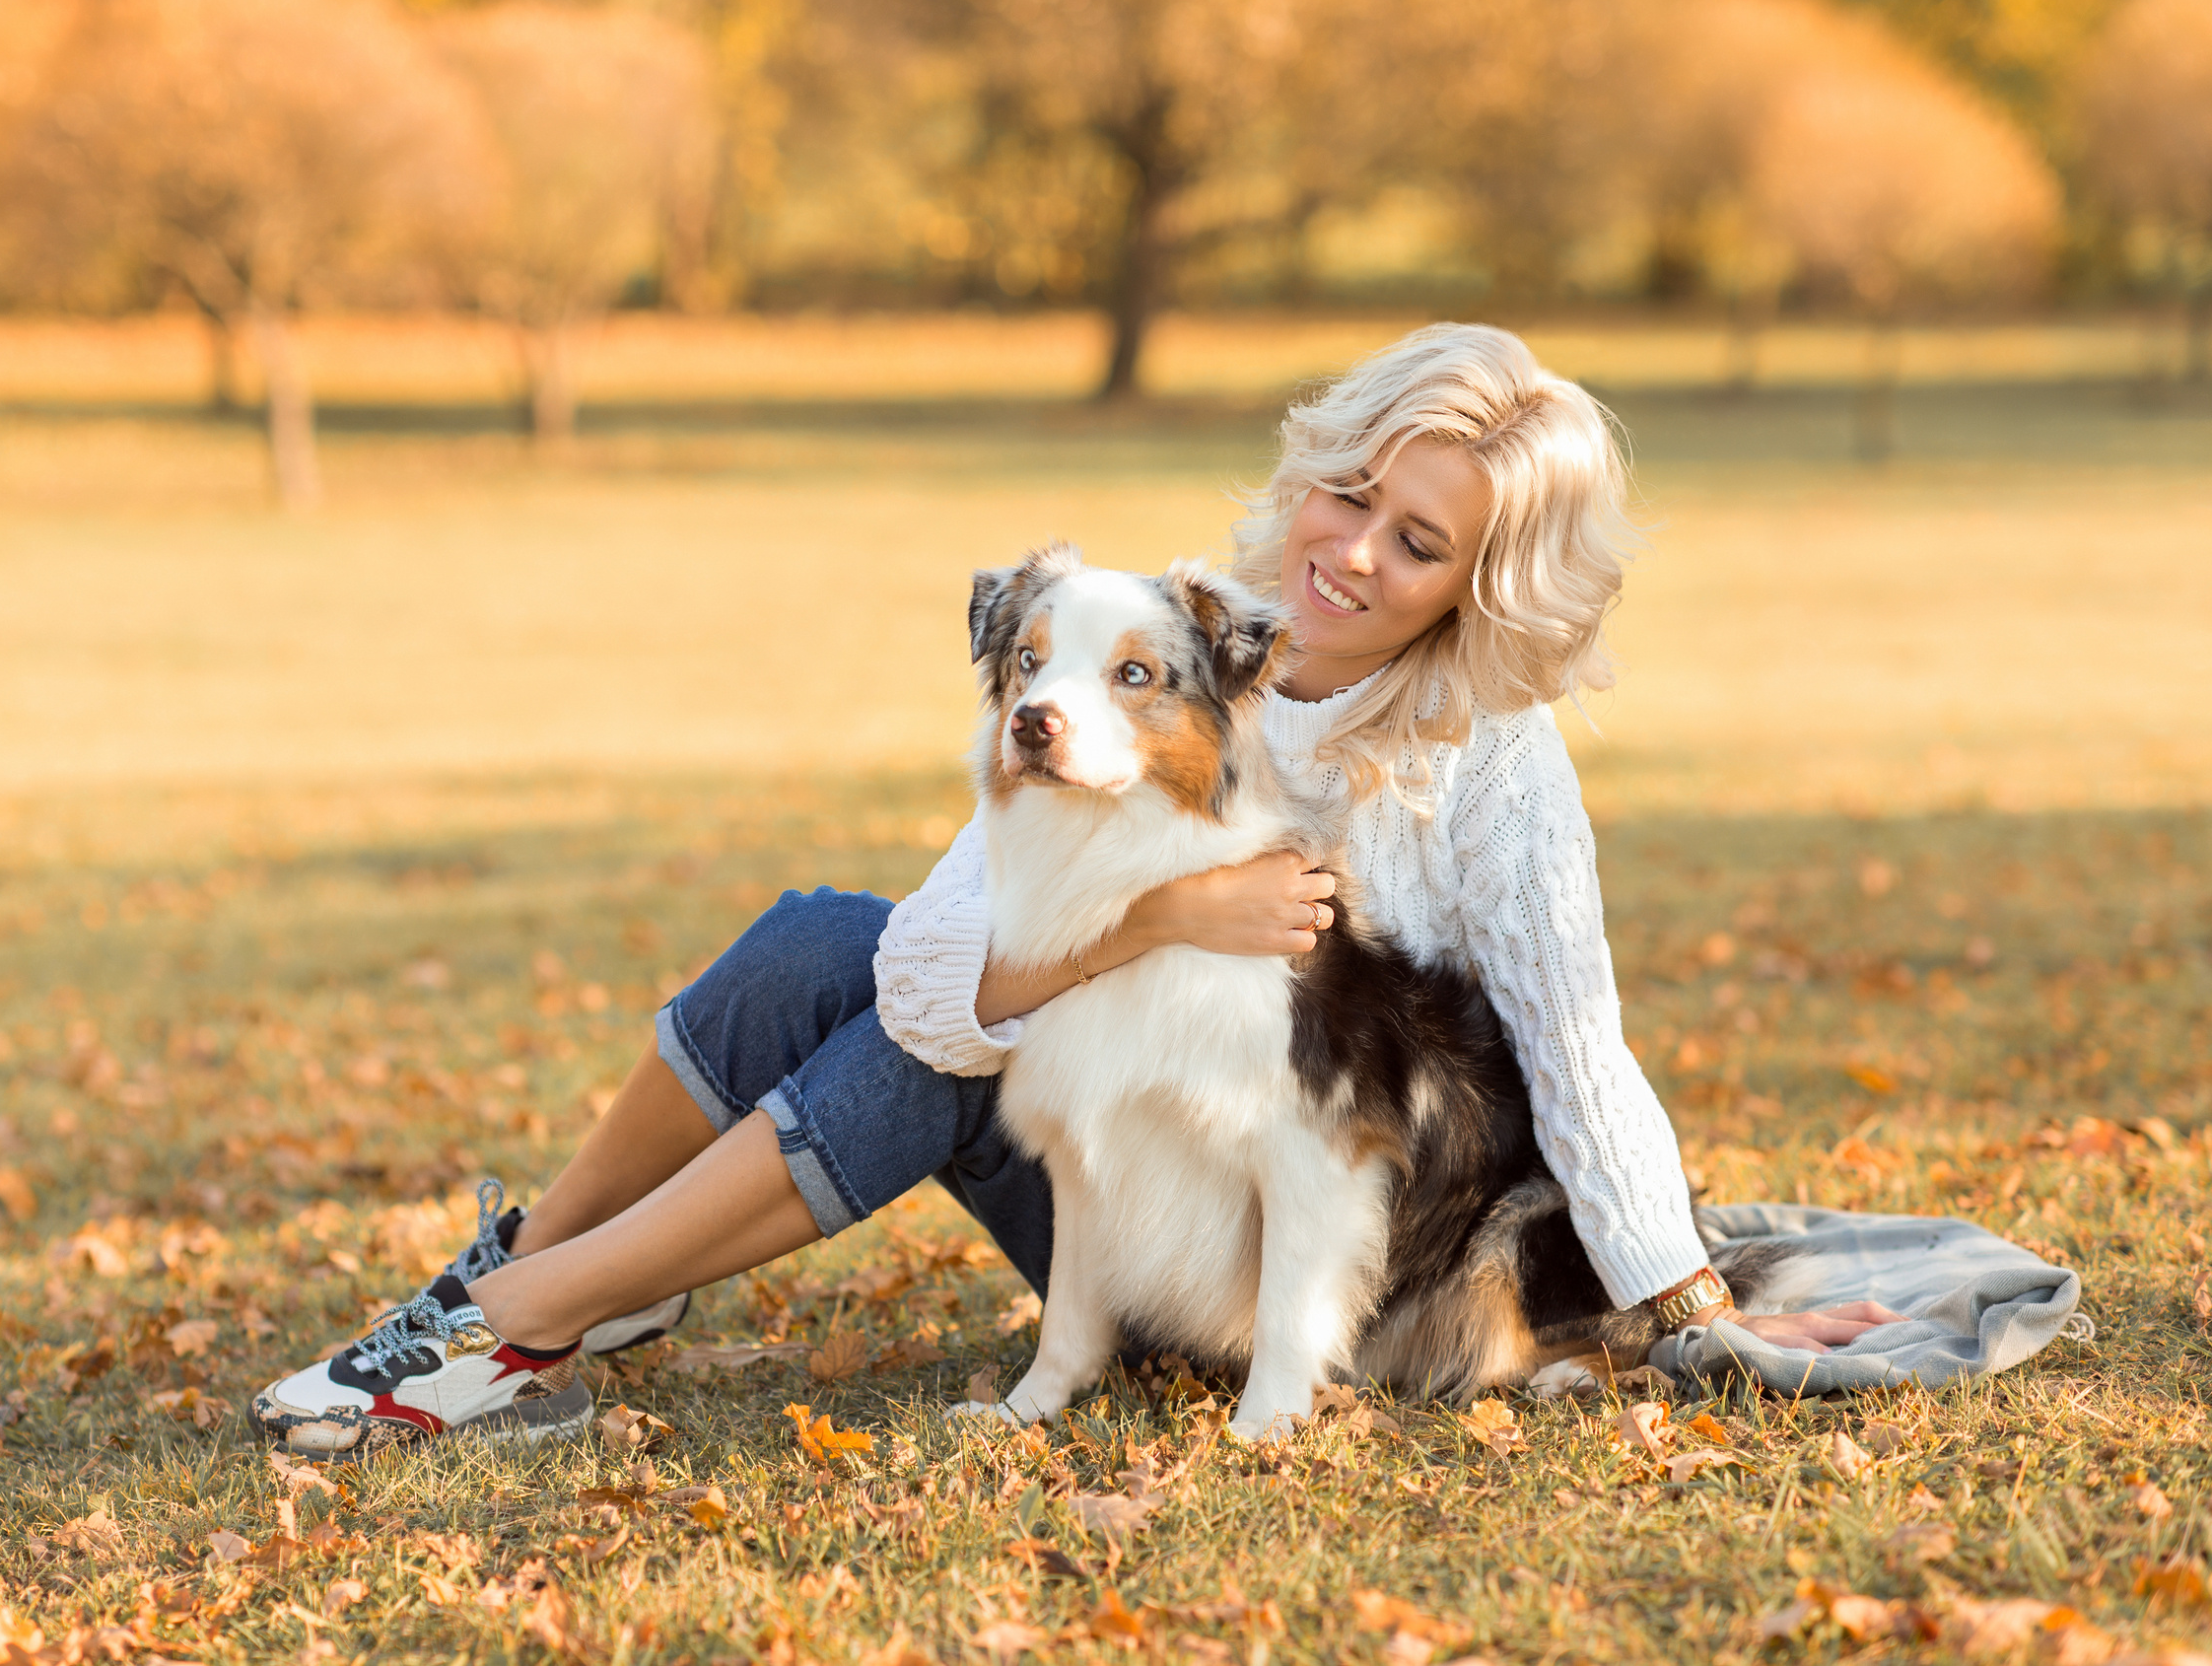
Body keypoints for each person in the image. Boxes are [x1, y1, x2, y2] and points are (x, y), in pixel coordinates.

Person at [248, 322, 1899, 1456]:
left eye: (1417, 544)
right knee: (837, 944)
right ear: (1314, 468)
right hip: (1122, 1192)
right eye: (1352, 494)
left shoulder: (1495, 757)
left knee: (913, 1031)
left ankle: (519, 1317)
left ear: (1476, 593)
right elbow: (935, 965)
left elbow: (1576, 1041)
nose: (1349, 554)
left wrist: (1685, 1302)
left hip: (1304, 1252)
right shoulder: (1170, 631)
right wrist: (1174, 913)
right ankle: (533, 1275)